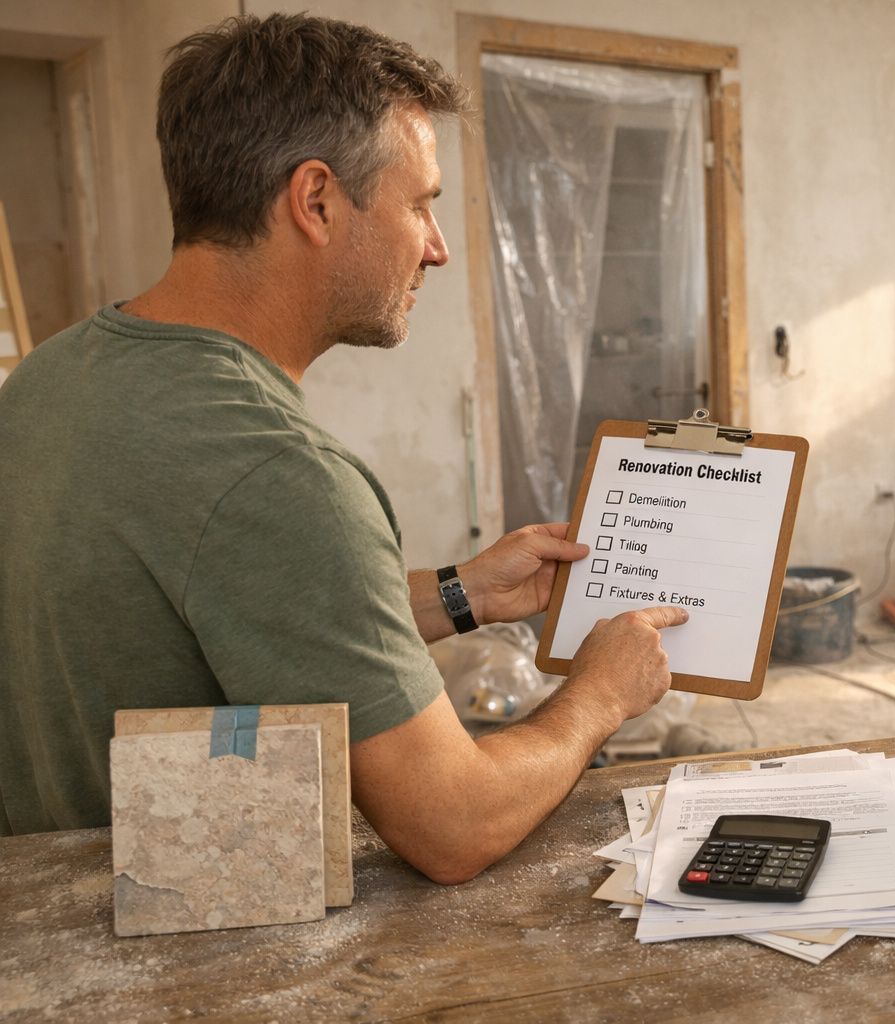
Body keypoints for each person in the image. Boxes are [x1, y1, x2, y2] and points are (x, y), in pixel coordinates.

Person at [0, 13, 688, 885]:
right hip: (192, 960)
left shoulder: (54, 374)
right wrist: (598, 696)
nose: (435, 248)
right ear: (316, 201)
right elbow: (454, 824)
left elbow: (237, 607)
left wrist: (461, 594)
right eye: (422, 203)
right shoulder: (281, 476)